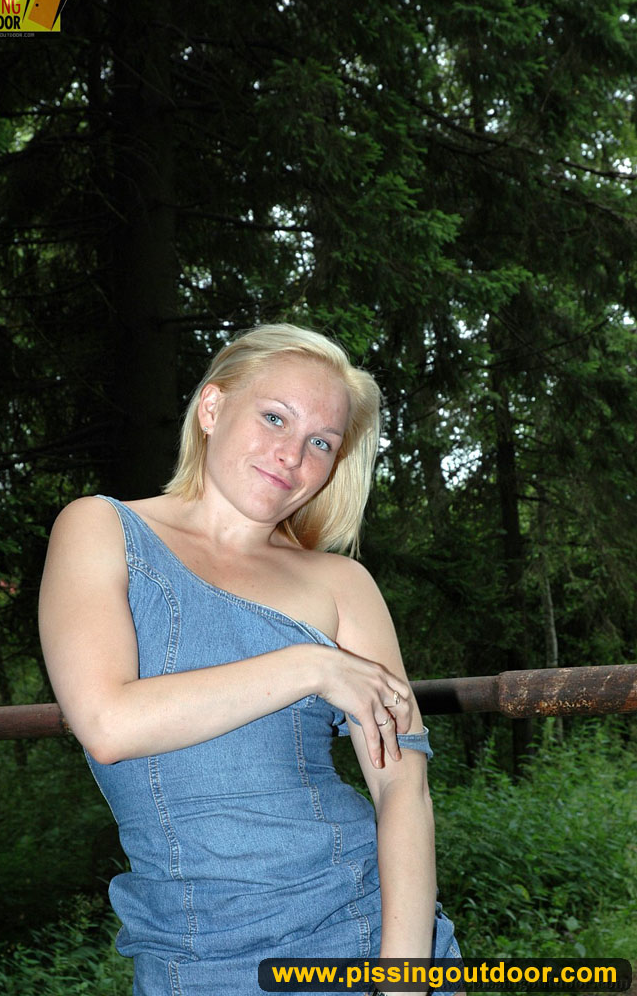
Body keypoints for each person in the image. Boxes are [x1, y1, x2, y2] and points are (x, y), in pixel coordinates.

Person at [39, 323, 461, 996]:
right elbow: (108, 723)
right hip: (196, 959)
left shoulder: (341, 584)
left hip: (363, 927)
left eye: (321, 442)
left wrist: (405, 979)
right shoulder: (101, 528)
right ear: (212, 408)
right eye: (274, 417)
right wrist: (312, 666)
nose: (292, 454)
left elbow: (401, 788)